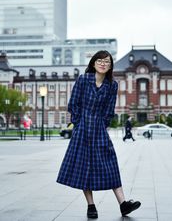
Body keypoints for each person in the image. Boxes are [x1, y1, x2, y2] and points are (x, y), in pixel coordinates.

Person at [57, 50, 141, 218]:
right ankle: (91, 205)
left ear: (110, 66)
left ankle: (123, 204)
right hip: (82, 130)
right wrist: (79, 123)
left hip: (99, 130)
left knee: (110, 164)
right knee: (83, 168)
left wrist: (102, 125)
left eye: (107, 62)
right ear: (94, 63)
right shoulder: (83, 80)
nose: (103, 64)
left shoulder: (112, 85)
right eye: (100, 61)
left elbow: (109, 110)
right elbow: (73, 104)